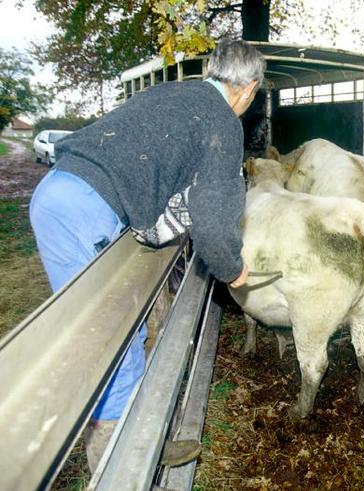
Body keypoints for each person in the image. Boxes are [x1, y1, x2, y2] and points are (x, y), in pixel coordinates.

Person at [29, 40, 265, 472]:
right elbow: (212, 220)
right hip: (90, 209)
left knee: (97, 333)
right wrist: (233, 269)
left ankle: (137, 440)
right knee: (115, 338)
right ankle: (124, 462)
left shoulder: (168, 93)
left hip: (54, 192)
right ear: (248, 89)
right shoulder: (223, 123)